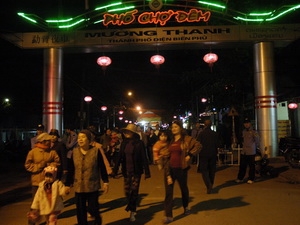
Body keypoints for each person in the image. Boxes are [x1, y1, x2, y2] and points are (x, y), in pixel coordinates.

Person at [65, 129, 109, 225]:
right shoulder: (74, 152)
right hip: (79, 186)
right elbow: (71, 169)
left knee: (93, 209)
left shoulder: (95, 151)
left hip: (92, 186)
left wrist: (105, 181)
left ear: (89, 140)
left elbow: (102, 167)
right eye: (79, 137)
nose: (80, 140)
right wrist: (67, 184)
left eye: (83, 137)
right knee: (80, 211)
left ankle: (97, 220)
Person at [162, 120, 201, 224]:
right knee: (168, 193)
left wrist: (190, 155)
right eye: (172, 127)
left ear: (180, 128)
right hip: (170, 169)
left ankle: (186, 206)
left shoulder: (187, 139)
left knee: (184, 189)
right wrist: (167, 173)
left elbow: (198, 145)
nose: (173, 128)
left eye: (175, 126)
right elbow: (166, 157)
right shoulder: (170, 141)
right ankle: (168, 215)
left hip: (181, 169)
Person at [112, 123, 151, 222]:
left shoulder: (139, 143)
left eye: (128, 131)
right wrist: (115, 170)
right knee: (127, 191)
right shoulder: (124, 143)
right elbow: (120, 157)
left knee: (134, 191)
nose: (126, 133)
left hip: (136, 171)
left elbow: (144, 157)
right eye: (125, 131)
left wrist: (147, 172)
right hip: (126, 171)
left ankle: (132, 211)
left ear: (133, 133)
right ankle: (131, 205)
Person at [25, 132, 61, 225]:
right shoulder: (32, 152)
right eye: (48, 141)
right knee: (35, 205)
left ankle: (50, 222)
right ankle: (32, 222)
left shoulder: (52, 152)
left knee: (49, 205)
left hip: (48, 183)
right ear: (43, 141)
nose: (50, 142)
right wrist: (39, 166)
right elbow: (28, 165)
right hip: (37, 183)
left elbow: (57, 162)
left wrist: (50, 166)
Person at [197, 119, 221, 194]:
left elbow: (198, 143)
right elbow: (218, 144)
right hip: (213, 154)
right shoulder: (215, 134)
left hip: (203, 154)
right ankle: (211, 183)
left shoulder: (201, 134)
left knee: (204, 171)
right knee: (212, 170)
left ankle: (208, 184)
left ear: (204, 125)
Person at [235, 118, 260, 184]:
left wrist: (254, 147)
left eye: (247, 123)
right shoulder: (243, 131)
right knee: (242, 166)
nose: (246, 124)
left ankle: (251, 178)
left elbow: (257, 141)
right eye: (245, 123)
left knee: (251, 166)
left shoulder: (254, 132)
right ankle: (240, 178)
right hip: (244, 151)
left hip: (251, 151)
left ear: (250, 123)